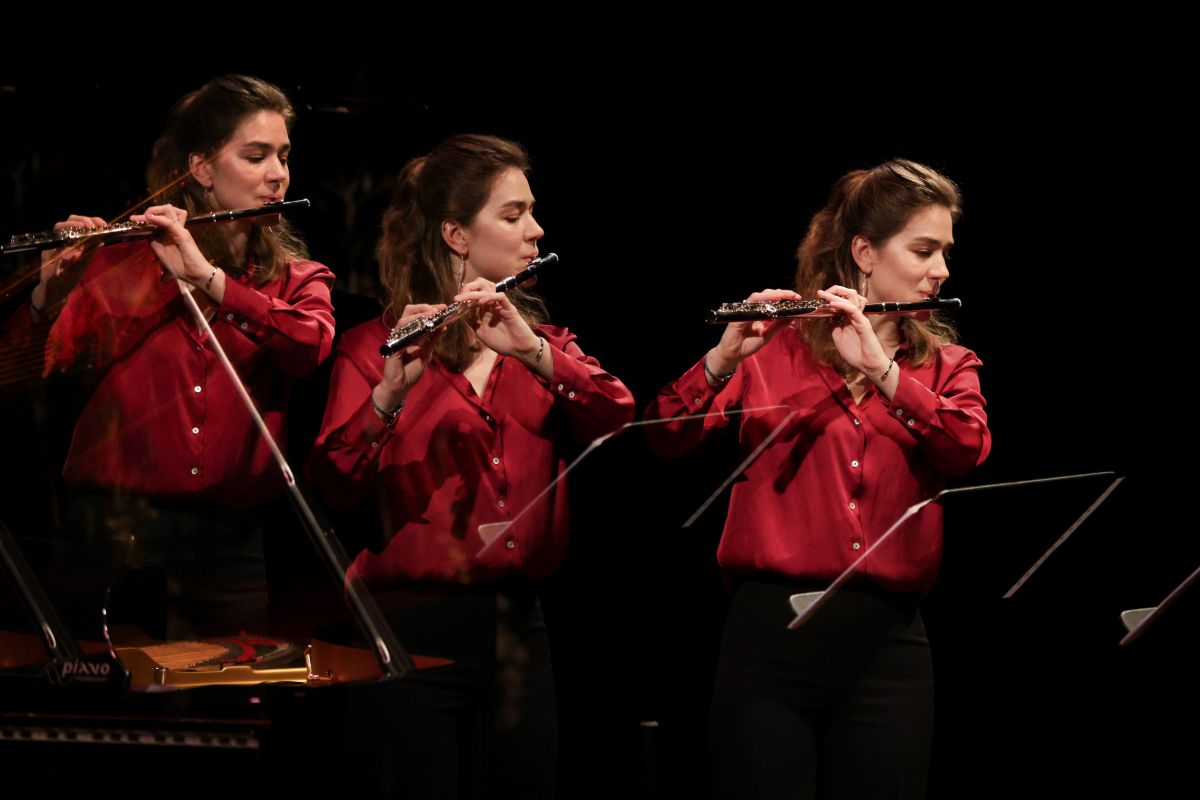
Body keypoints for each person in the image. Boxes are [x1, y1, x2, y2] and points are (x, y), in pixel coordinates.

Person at [645, 159, 991, 799]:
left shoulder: (947, 365)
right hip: (771, 640)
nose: (941, 269)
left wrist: (885, 372)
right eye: (924, 250)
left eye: (946, 251)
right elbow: (665, 436)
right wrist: (722, 358)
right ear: (864, 253)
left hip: (889, 645)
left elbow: (967, 449)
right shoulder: (775, 349)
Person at [305, 134, 635, 798]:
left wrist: (534, 352)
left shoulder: (541, 344)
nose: (536, 230)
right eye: (514, 214)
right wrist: (388, 397)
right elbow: (334, 485)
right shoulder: (373, 348)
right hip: (407, 629)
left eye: (531, 212)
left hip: (517, 630)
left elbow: (617, 415)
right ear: (456, 235)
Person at [32, 75, 335, 640]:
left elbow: (309, 346)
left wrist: (209, 279)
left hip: (230, 543)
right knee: (111, 692)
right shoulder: (122, 261)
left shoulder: (298, 279)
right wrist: (50, 292)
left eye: (284, 156)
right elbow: (45, 366)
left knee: (228, 693)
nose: (278, 174)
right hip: (115, 535)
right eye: (256, 156)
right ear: (201, 169)